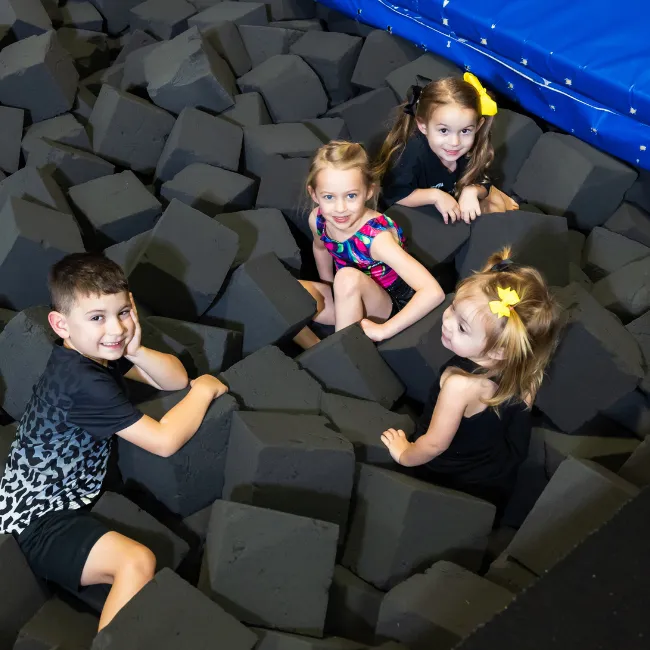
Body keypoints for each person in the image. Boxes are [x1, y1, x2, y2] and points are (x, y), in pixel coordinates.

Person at [0, 253, 229, 631]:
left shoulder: (90, 353)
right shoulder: (83, 382)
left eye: (123, 312)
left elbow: (172, 379)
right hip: (36, 523)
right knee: (136, 562)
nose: (115, 329)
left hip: (45, 498)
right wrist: (204, 391)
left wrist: (136, 349)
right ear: (60, 324)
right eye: (96, 318)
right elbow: (163, 440)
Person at [381, 247, 561, 514]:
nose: (447, 321)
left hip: (456, 475)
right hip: (497, 465)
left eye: (463, 327)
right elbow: (524, 406)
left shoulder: (459, 385)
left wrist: (405, 454)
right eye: (453, 308)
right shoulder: (526, 367)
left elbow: (433, 445)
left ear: (499, 350)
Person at [294, 140, 445, 349]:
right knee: (289, 294)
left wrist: (385, 330)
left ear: (369, 191)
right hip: (348, 293)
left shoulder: (377, 239)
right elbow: (321, 248)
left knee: (347, 278)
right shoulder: (317, 219)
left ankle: (344, 356)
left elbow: (433, 292)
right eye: (329, 197)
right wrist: (329, 284)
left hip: (389, 306)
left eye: (351, 196)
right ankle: (317, 349)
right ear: (314, 194)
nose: (340, 208)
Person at [375, 73, 519, 224]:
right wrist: (436, 196)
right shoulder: (410, 152)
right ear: (423, 125)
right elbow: (396, 194)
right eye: (444, 130)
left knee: (496, 203)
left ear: (478, 126)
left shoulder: (472, 147)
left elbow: (483, 181)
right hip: (414, 213)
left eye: (465, 131)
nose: (455, 142)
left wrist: (473, 191)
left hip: (454, 197)